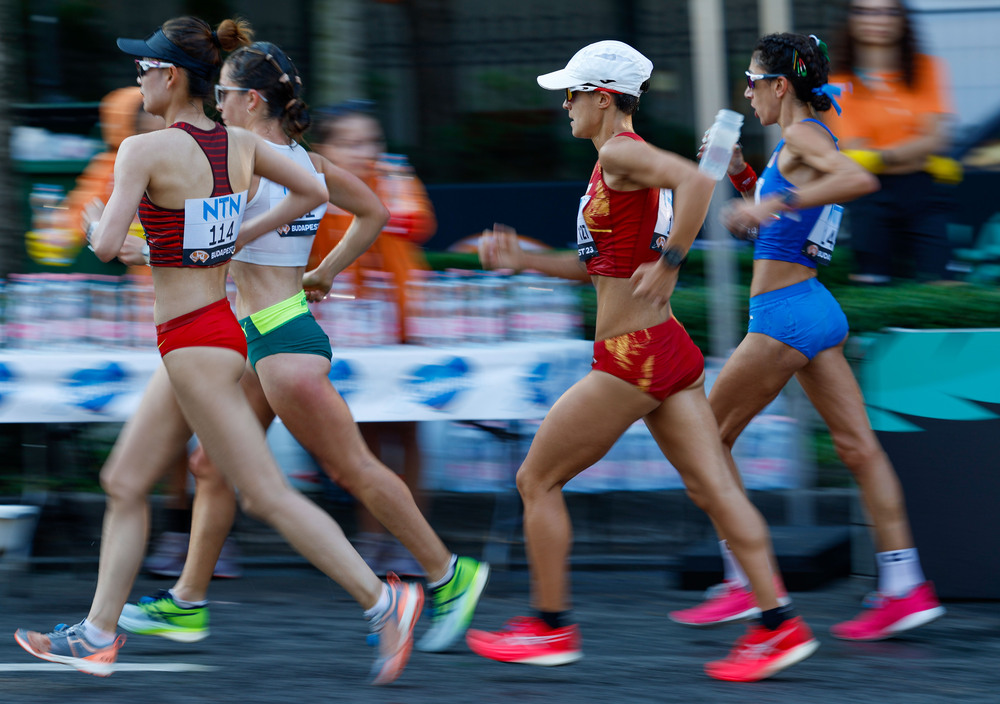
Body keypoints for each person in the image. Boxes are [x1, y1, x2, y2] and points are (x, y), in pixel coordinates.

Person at [13, 17, 422, 686]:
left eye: (144, 68)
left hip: (196, 343)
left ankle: (384, 602)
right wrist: (225, 241)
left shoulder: (142, 152)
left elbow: (105, 245)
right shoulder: (235, 144)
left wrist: (94, 228)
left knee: (263, 494)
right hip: (208, 333)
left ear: (170, 77)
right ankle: (95, 634)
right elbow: (314, 190)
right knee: (122, 480)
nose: (137, 78)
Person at [115, 40, 488, 655]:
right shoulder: (300, 160)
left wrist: (148, 244)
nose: (217, 104)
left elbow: (208, 243)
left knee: (353, 468)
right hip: (271, 329)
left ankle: (450, 573)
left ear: (251, 100)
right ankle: (186, 602)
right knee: (211, 465)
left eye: (226, 95)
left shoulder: (250, 159)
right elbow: (371, 212)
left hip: (281, 336)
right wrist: (325, 272)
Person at [464, 40, 818, 683]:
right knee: (713, 488)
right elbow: (596, 269)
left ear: (602, 97)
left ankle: (549, 626)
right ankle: (779, 624)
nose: (564, 106)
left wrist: (675, 258)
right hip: (665, 349)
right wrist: (526, 260)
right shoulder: (612, 164)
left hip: (633, 357)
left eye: (571, 94)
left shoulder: (622, 152)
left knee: (535, 481)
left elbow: (693, 181)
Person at [636, 32, 945, 642]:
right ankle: (904, 586)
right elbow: (784, 220)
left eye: (752, 81)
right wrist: (747, 179)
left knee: (707, 441)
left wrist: (767, 207)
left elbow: (858, 183)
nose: (746, 94)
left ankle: (743, 584)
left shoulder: (803, 137)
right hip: (813, 309)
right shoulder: (803, 141)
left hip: (783, 317)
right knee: (858, 449)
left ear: (781, 85)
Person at [308, 102, 437, 576]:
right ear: (323, 148)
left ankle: (413, 540)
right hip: (342, 328)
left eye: (371, 141)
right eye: (350, 142)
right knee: (360, 437)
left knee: (407, 430)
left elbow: (416, 222)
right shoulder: (311, 185)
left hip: (402, 322)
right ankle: (374, 538)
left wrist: (366, 202)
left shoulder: (393, 176)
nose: (365, 152)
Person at [827, 0, 960, 284]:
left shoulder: (926, 68)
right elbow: (855, 151)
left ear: (902, 19)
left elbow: (937, 139)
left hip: (924, 193)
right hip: (870, 195)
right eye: (865, 11)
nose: (878, 20)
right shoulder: (839, 82)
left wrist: (880, 156)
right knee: (872, 285)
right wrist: (914, 150)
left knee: (941, 285)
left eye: (888, 11)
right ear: (852, 20)